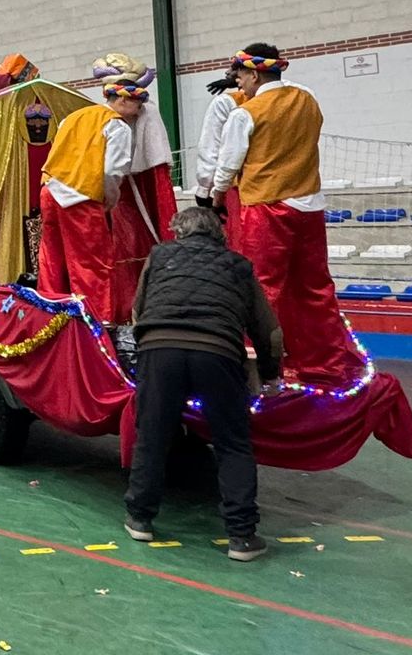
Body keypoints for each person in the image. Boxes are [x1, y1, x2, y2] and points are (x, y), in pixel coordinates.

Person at [123, 208, 283, 562]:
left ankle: (140, 518)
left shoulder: (159, 255)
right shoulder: (239, 266)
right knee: (233, 443)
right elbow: (269, 332)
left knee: (152, 434)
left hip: (159, 348)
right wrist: (271, 373)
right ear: (219, 235)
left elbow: (138, 310)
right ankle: (242, 537)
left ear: (177, 233)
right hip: (218, 352)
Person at [211, 44, 351, 387]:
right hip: (310, 206)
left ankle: (265, 373)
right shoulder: (308, 99)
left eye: (240, 76)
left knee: (262, 289)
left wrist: (216, 197)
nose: (237, 84)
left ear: (255, 74)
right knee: (316, 287)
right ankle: (326, 366)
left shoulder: (246, 113)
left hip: (267, 208)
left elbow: (227, 165)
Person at [37, 82, 144, 324]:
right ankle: (96, 323)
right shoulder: (117, 125)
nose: (139, 112)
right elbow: (113, 171)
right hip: (81, 197)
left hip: (50, 190)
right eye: (138, 105)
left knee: (52, 259)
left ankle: (51, 315)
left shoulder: (73, 117)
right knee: (91, 263)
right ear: (123, 100)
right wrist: (109, 199)